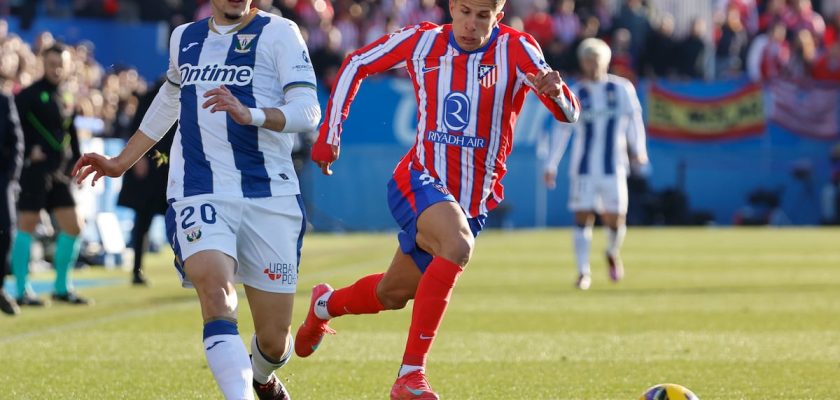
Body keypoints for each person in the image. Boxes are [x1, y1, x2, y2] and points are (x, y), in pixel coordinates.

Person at [294, 1, 580, 398]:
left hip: (470, 203)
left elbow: (568, 112)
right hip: (418, 178)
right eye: (464, 11)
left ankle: (323, 306)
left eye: (483, 16)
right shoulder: (423, 40)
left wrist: (557, 93)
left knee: (391, 294)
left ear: (497, 16)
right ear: (451, 8)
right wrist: (330, 132)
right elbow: (357, 62)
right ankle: (410, 376)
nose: (471, 24)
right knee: (457, 244)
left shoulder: (518, 49)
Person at [71, 0, 321, 398]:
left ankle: (262, 377)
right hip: (197, 189)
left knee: (274, 342)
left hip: (269, 194)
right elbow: (170, 101)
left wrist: (250, 113)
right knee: (216, 293)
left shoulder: (280, 33)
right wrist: (121, 162)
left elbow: (308, 111)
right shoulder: (184, 38)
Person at [542, 38, 648, 290]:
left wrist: (639, 151)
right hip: (584, 167)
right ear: (582, 62)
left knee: (616, 219)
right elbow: (562, 129)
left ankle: (612, 251)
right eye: (587, 60)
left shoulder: (622, 89)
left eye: (596, 60)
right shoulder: (576, 92)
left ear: (606, 61)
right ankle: (583, 272)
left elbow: (634, 121)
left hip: (614, 165)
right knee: (583, 216)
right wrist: (551, 164)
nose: (592, 65)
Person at [12, 44, 89, 306]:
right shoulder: (29, 95)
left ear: (68, 66)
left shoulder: (66, 96)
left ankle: (61, 288)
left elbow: (71, 132)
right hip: (34, 172)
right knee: (27, 226)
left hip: (59, 173)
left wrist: (78, 161)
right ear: (42, 64)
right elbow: (13, 128)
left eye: (60, 64)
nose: (56, 68)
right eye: (51, 63)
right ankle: (21, 291)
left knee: (74, 226)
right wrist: (26, 152)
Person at [116, 78, 176, 286]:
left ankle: (189, 267)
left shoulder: (189, 89)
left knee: (181, 218)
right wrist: (138, 157)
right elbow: (137, 126)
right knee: (143, 221)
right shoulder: (152, 94)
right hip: (151, 165)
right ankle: (137, 270)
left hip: (174, 166)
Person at [0, 87, 23, 316]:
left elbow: (17, 141)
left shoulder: (5, 100)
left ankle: (0, 287)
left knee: (7, 231)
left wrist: (11, 176)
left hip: (1, 179)